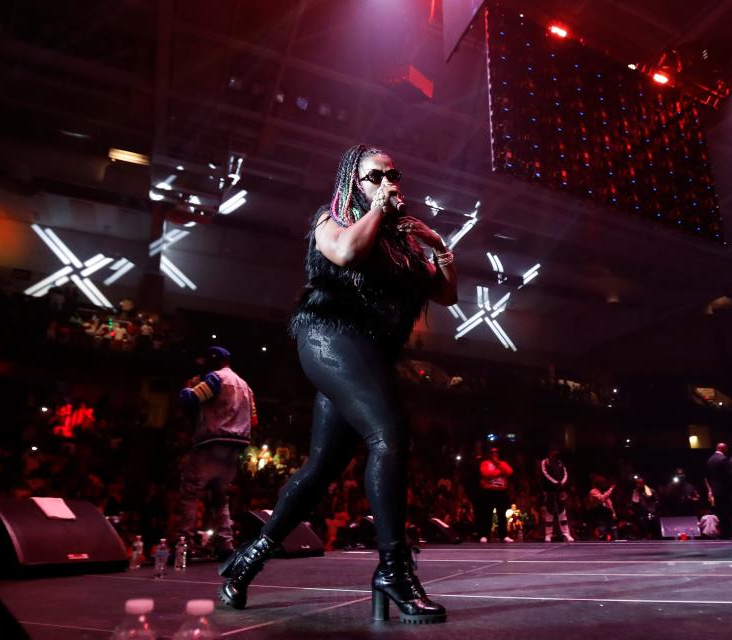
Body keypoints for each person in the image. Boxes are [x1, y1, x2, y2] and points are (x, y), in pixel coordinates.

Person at [219, 145, 456, 625]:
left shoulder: (405, 243)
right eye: (375, 176)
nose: (389, 181)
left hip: (368, 356)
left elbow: (447, 293)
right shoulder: (332, 219)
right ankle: (394, 569)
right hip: (329, 337)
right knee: (389, 436)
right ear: (353, 182)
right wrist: (374, 208)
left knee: (323, 468)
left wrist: (436, 243)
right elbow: (346, 252)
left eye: (394, 173)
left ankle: (246, 561)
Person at [176, 346, 257, 558]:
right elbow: (254, 419)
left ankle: (185, 543)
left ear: (214, 361)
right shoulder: (245, 386)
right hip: (235, 448)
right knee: (220, 496)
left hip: (212, 443)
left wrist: (188, 388)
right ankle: (225, 543)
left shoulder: (215, 378)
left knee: (190, 493)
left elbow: (189, 399)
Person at [477, 446, 514, 543]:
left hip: (501, 492)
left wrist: (498, 464)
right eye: (492, 452)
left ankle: (504, 536)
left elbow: (509, 472)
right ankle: (485, 535)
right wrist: (500, 471)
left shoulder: (503, 463)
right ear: (489, 454)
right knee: (486, 514)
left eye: (496, 452)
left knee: (502, 514)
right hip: (488, 492)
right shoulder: (485, 463)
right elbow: (486, 474)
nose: (494, 454)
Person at [538, 446, 574, 542]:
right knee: (549, 512)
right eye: (554, 451)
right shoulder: (545, 462)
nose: (556, 452)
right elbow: (545, 473)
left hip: (560, 489)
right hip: (549, 490)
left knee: (562, 511)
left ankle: (566, 533)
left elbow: (565, 473)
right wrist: (555, 482)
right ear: (550, 452)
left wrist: (562, 482)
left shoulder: (560, 462)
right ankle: (548, 534)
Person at [704, 443, 732, 539]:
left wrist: (711, 489)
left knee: (720, 513)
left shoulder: (710, 460)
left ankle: (723, 534)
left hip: (716, 490)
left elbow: (708, 477)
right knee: (727, 513)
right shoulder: (724, 459)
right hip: (725, 490)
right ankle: (727, 533)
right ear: (723, 449)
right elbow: (729, 476)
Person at [588, 475, 617, 540]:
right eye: (603, 483)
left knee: (614, 533)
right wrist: (611, 489)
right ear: (599, 484)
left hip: (607, 514)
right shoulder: (593, 491)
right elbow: (601, 499)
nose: (605, 484)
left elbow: (609, 504)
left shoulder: (603, 491)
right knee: (602, 533)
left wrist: (613, 513)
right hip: (599, 514)